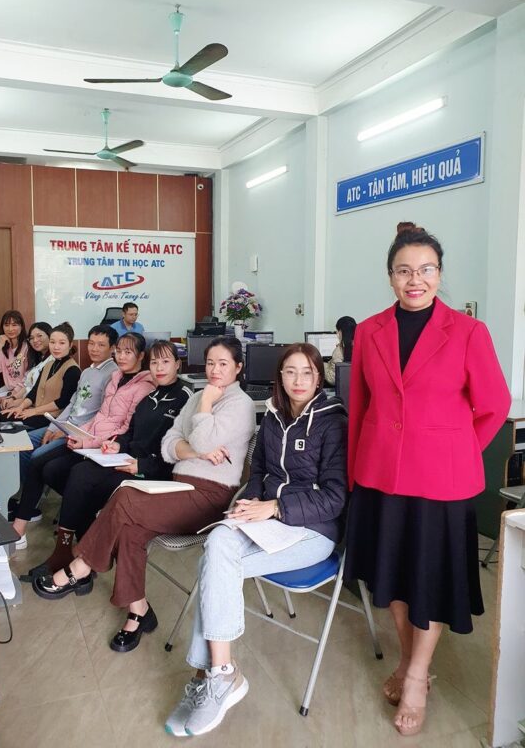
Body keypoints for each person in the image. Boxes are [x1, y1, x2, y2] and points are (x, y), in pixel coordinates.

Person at [343, 222, 511, 737]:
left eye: (426, 270)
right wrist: (353, 474)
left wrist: (455, 450)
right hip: (380, 475)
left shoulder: (468, 332)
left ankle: (417, 676)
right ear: (390, 276)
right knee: (393, 575)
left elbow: (495, 405)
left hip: (442, 480)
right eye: (404, 271)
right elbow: (360, 405)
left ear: (439, 274)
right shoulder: (369, 331)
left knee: (430, 579)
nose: (415, 279)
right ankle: (407, 658)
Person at [32, 336, 256, 661]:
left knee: (125, 496)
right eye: (210, 363)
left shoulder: (239, 403)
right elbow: (170, 443)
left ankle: (80, 567)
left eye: (223, 364)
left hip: (210, 497)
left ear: (238, 367)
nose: (215, 370)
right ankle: (139, 611)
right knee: (129, 530)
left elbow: (203, 439)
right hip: (178, 486)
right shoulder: (196, 397)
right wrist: (193, 450)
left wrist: (206, 405)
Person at [164, 342, 348, 737]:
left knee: (215, 565)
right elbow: (260, 473)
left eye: (307, 372)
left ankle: (210, 676)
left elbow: (335, 498)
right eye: (290, 371)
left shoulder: (333, 422)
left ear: (319, 378)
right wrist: (248, 504)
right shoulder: (274, 418)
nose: (298, 380)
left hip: (314, 532)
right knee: (218, 543)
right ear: (279, 376)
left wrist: (276, 507)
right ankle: (221, 672)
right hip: (268, 523)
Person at [25, 340, 192, 577]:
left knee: (81, 478)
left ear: (178, 364)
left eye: (166, 362)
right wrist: (118, 444)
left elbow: (181, 450)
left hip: (151, 473)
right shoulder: (152, 395)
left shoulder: (185, 398)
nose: (159, 368)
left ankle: (74, 555)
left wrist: (142, 465)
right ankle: (75, 551)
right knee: (66, 472)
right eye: (155, 362)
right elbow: (130, 432)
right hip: (126, 459)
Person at [12, 332, 153, 553]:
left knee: (53, 468)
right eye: (120, 352)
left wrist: (87, 441)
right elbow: (98, 416)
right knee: (41, 465)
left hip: (106, 448)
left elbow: (125, 429)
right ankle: (21, 527)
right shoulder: (115, 377)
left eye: (128, 352)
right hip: (88, 439)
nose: (122, 356)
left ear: (141, 355)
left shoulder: (143, 387)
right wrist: (78, 434)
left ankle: (75, 536)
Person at [0, 322, 80, 430]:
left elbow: (62, 402)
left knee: (6, 426)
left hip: (52, 417)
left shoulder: (73, 370)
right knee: (0, 417)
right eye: (52, 342)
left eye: (62, 343)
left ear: (70, 345)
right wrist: (20, 408)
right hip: (37, 411)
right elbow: (34, 392)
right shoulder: (49, 364)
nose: (56, 347)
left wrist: (34, 411)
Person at [0, 321, 52, 414]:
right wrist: (12, 398)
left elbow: (39, 394)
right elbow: (27, 385)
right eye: (31, 338)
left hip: (37, 408)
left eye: (39, 336)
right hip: (25, 401)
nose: (35, 340)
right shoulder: (37, 358)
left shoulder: (52, 360)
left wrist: (16, 403)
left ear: (50, 335)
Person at [0, 310, 29, 393]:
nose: (10, 329)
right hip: (9, 390)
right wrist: (0, 345)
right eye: (6, 325)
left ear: (22, 326)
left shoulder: (27, 347)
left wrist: (14, 394)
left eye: (14, 325)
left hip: (24, 392)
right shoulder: (4, 348)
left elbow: (29, 377)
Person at [324, 315, 356, 386]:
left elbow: (332, 379)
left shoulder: (339, 351)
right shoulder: (362, 344)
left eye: (337, 331)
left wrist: (322, 365)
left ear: (340, 332)